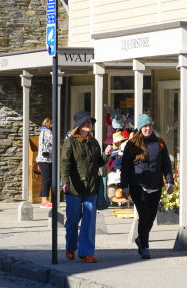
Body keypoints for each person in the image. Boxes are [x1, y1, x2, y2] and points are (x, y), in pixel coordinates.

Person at [119, 113, 174, 259]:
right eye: (144, 126)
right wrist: (124, 187)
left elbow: (166, 165)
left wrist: (170, 182)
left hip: (155, 185)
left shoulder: (160, 143)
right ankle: (144, 246)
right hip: (138, 185)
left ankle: (140, 239)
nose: (147, 128)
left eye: (149, 125)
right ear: (140, 128)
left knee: (151, 217)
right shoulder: (132, 145)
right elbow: (125, 168)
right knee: (144, 215)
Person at [60, 110, 111, 263]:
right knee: (73, 220)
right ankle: (70, 247)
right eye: (87, 122)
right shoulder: (70, 142)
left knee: (89, 221)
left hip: (91, 187)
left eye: (90, 122)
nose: (90, 124)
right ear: (79, 125)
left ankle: (86, 253)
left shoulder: (94, 142)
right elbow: (65, 163)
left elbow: (98, 163)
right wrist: (65, 181)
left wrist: (106, 154)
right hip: (74, 188)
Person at [36, 117, 54, 208]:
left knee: (46, 180)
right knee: (47, 180)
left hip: (42, 159)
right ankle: (44, 201)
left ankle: (45, 200)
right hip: (46, 160)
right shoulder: (47, 132)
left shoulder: (42, 132)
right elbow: (53, 142)